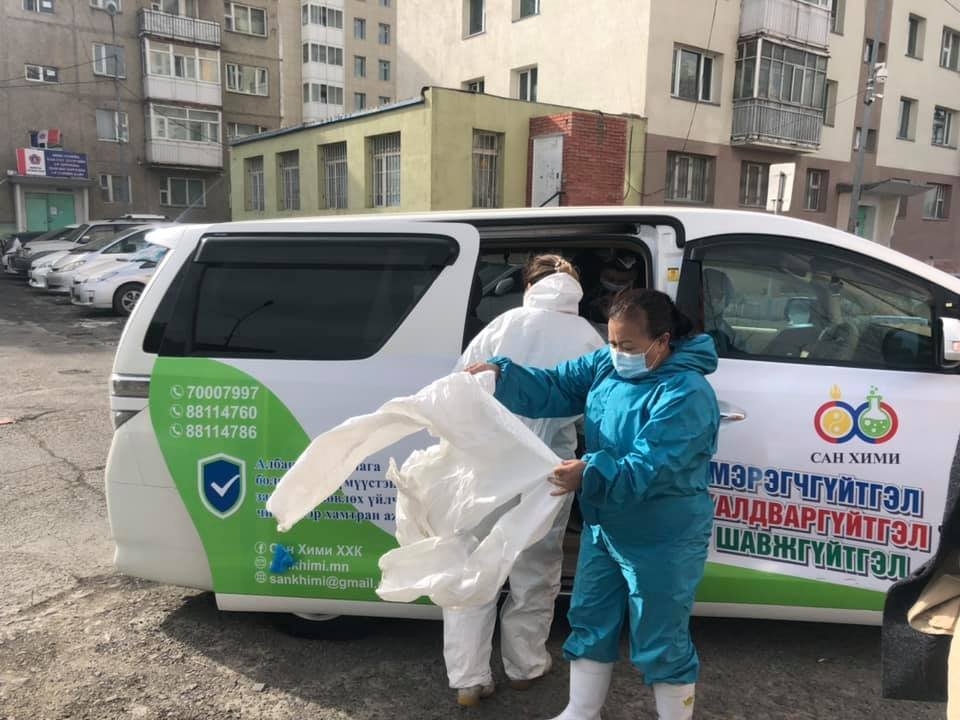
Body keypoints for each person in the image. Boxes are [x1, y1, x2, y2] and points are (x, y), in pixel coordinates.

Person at [467, 289, 720, 720]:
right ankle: (581, 711)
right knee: (590, 618)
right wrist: (501, 376)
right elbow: (557, 385)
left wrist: (589, 473)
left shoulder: (686, 392)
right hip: (606, 525)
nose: (618, 353)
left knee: (660, 634)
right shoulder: (608, 363)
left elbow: (652, 466)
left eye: (629, 346)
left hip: (663, 534)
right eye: (613, 342)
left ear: (662, 341)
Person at [445, 254, 606, 707]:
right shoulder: (589, 336)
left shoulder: (502, 325)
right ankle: (525, 665)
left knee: (476, 563)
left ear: (530, 286)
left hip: (487, 462)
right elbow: (595, 407)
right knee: (536, 564)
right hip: (549, 467)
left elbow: (460, 386)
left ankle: (468, 678)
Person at [580, 252, 641, 331]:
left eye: (622, 281)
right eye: (610, 279)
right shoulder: (585, 294)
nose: (615, 284)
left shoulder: (639, 300)